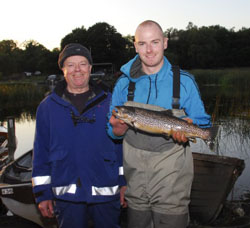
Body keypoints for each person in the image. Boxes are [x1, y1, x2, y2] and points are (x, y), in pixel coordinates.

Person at [107, 20, 211, 228]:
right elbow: (112, 131)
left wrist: (191, 124)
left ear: (165, 42)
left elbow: (202, 120)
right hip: (135, 184)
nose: (149, 50)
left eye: (154, 42)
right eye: (143, 44)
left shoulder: (184, 81)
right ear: (135, 46)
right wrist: (117, 129)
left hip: (173, 182)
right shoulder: (123, 84)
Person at [32, 43, 126, 228]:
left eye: (82, 64)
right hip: (67, 196)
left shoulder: (111, 103)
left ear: (90, 68)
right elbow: (40, 152)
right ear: (63, 69)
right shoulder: (47, 107)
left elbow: (120, 147)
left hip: (106, 193)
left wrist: (124, 183)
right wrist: (42, 194)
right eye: (71, 64)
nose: (77, 70)